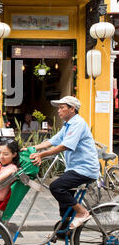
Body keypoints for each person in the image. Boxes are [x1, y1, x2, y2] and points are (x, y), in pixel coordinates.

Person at [28, 96, 100, 229]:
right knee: (64, 199)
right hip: (75, 169)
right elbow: (53, 140)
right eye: (59, 108)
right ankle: (66, 228)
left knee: (56, 187)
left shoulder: (78, 123)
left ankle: (82, 212)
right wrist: (32, 148)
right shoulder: (68, 125)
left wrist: (41, 154)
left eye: (62, 108)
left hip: (86, 169)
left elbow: (65, 146)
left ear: (72, 109)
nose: (58, 111)